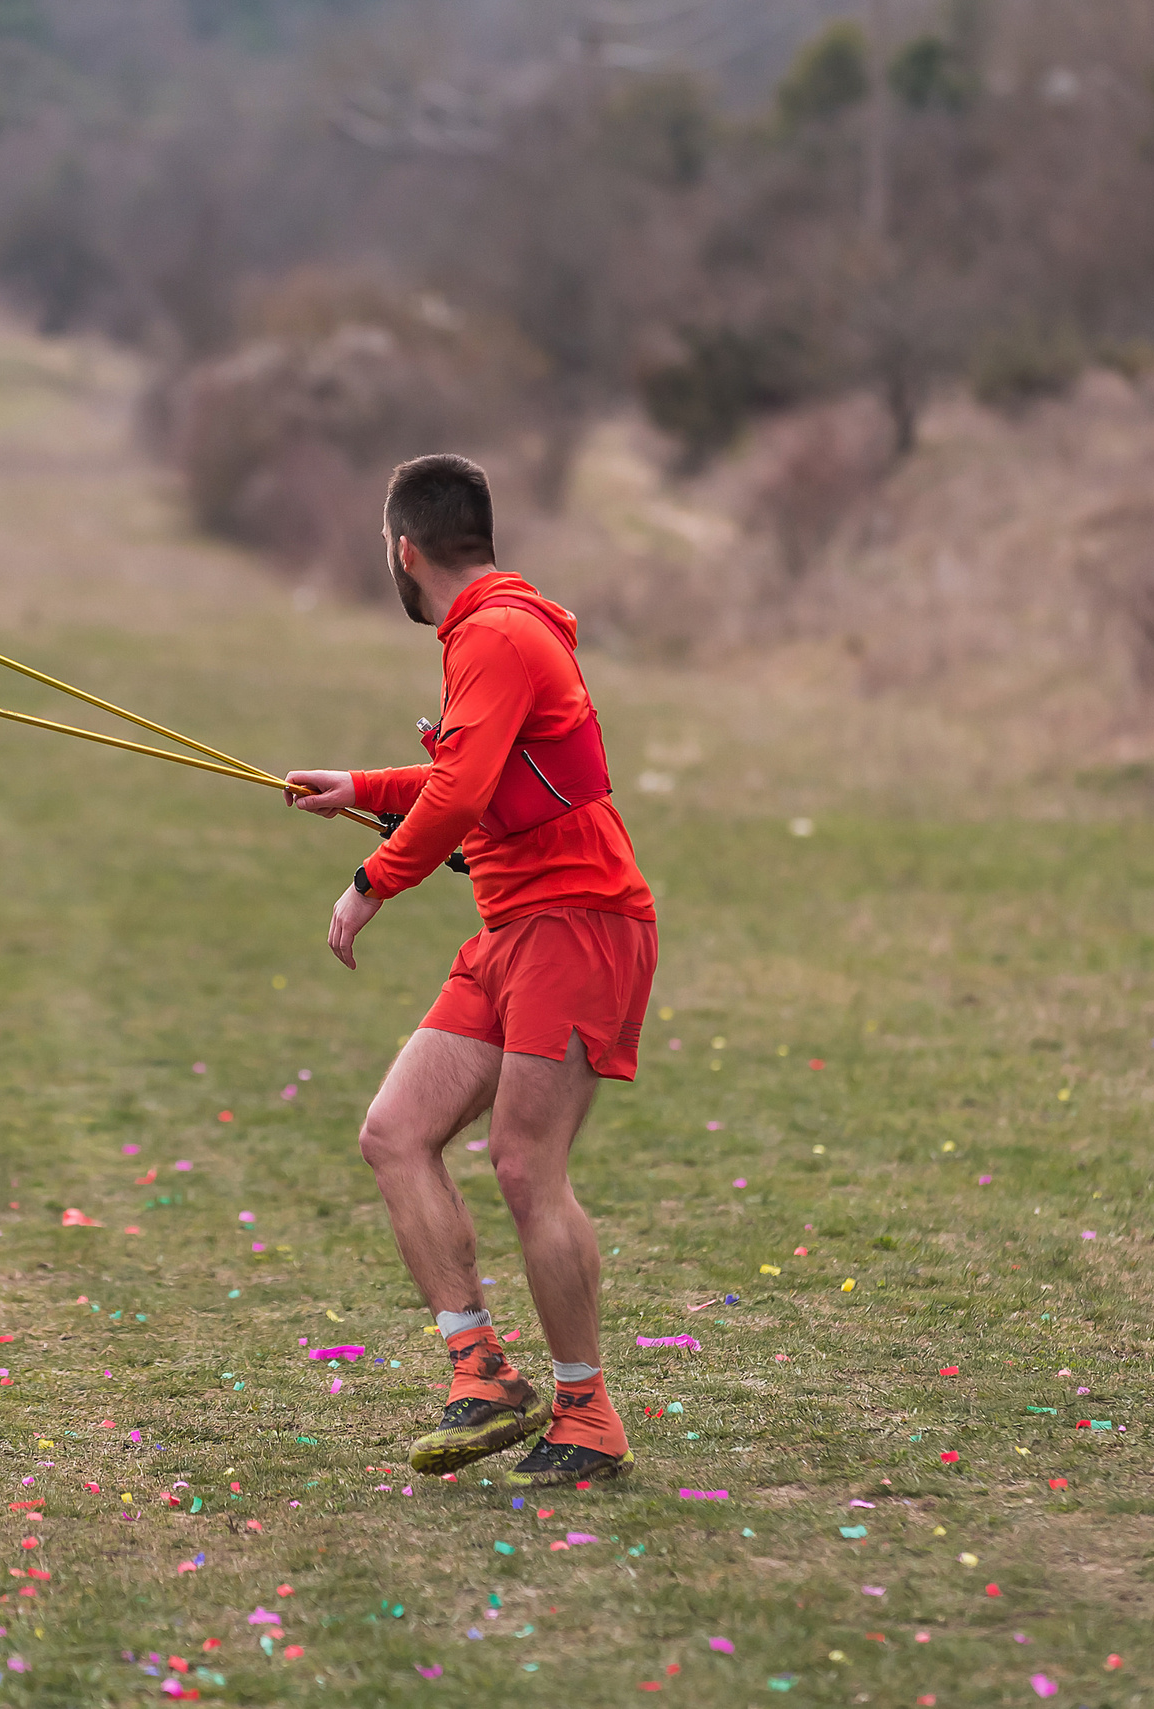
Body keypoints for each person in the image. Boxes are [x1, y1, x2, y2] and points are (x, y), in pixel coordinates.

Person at [286, 454, 656, 1489]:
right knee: (395, 1132)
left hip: (577, 922)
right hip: (512, 930)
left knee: (526, 1167)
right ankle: (481, 1371)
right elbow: (469, 774)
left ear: (404, 552)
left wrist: (370, 881)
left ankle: (587, 1415)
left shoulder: (494, 633)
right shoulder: (491, 630)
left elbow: (456, 796)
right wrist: (363, 785)